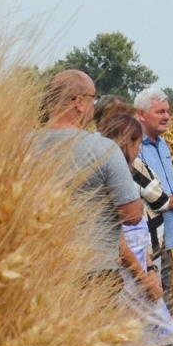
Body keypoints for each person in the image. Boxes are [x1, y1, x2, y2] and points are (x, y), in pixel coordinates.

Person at [35, 69, 142, 282]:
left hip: (41, 274)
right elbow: (132, 215)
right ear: (79, 102)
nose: (94, 106)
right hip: (95, 271)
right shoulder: (103, 149)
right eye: (94, 99)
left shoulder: (22, 146)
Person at [98, 106, 173, 346]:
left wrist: (151, 268)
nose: (140, 147)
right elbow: (119, 237)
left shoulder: (131, 170)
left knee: (159, 334)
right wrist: (144, 277)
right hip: (130, 272)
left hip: (144, 261)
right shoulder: (114, 179)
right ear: (128, 143)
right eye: (137, 142)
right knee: (136, 338)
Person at [134, 86, 173, 306]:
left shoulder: (163, 144)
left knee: (165, 300)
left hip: (167, 237)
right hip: (151, 240)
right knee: (156, 304)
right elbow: (139, 191)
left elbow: (162, 184)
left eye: (167, 111)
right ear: (141, 115)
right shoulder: (134, 146)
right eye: (160, 112)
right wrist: (170, 202)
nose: (167, 116)